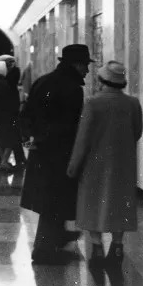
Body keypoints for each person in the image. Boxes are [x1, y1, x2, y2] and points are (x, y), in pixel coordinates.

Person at [18, 44, 94, 264]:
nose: (87, 71)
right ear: (76, 65)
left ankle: (57, 239)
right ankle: (44, 251)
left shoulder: (43, 81)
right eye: (85, 66)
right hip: (59, 153)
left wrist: (30, 137)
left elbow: (27, 113)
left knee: (51, 201)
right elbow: (71, 126)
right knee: (54, 202)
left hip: (42, 151)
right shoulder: (71, 88)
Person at [67, 61, 143, 268]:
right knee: (120, 203)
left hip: (95, 163)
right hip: (123, 164)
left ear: (101, 81)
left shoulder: (93, 103)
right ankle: (117, 246)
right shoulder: (133, 103)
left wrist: (74, 165)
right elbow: (137, 132)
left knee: (92, 203)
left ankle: (97, 246)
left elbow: (83, 138)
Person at [0, 61, 22, 172]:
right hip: (6, 116)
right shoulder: (2, 83)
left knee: (2, 139)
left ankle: (4, 161)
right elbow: (7, 101)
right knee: (10, 139)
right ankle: (4, 162)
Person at [0, 54, 27, 169]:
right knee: (14, 135)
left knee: (14, 134)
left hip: (12, 107)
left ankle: (14, 159)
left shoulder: (14, 72)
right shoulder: (1, 76)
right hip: (8, 108)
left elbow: (11, 82)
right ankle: (18, 159)